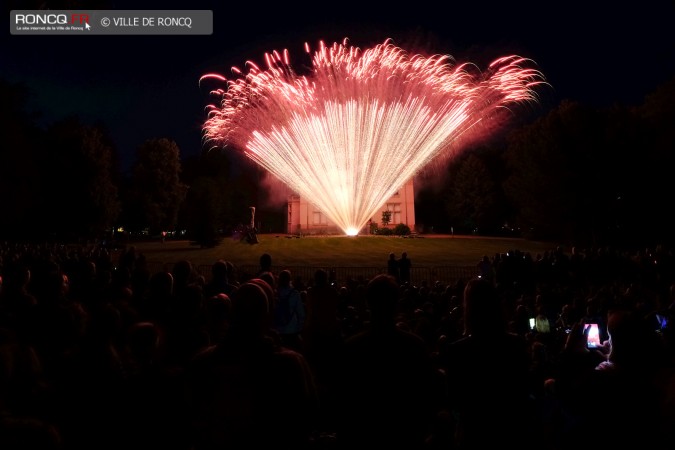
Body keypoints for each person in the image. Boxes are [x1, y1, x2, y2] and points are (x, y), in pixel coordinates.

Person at [185, 281, 318, 449]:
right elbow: (309, 417)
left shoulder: (201, 363)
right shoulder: (290, 365)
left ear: (231, 315)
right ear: (268, 316)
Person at [335, 274, 440, 448]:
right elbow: (427, 400)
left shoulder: (352, 348)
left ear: (368, 304)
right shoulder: (415, 346)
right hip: (406, 437)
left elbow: (343, 406)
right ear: (396, 304)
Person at [439, 277, 536, 450]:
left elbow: (453, 399)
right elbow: (523, 390)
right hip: (512, 433)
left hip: (474, 435)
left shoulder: (457, 351)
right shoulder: (517, 344)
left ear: (468, 309)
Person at [272, 269, 306, 352]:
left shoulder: (275, 293)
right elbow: (301, 314)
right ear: (289, 280)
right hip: (292, 330)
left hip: (277, 330)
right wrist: (299, 328)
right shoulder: (294, 294)